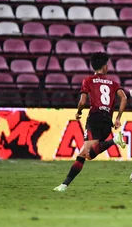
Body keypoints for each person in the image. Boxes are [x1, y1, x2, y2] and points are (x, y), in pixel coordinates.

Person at [54, 52, 127, 192]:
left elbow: (82, 101)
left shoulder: (88, 80)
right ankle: (64, 185)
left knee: (88, 154)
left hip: (94, 118)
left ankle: (115, 141)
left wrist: (79, 112)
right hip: (107, 121)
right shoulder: (113, 83)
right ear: (105, 67)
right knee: (84, 154)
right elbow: (124, 98)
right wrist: (118, 117)